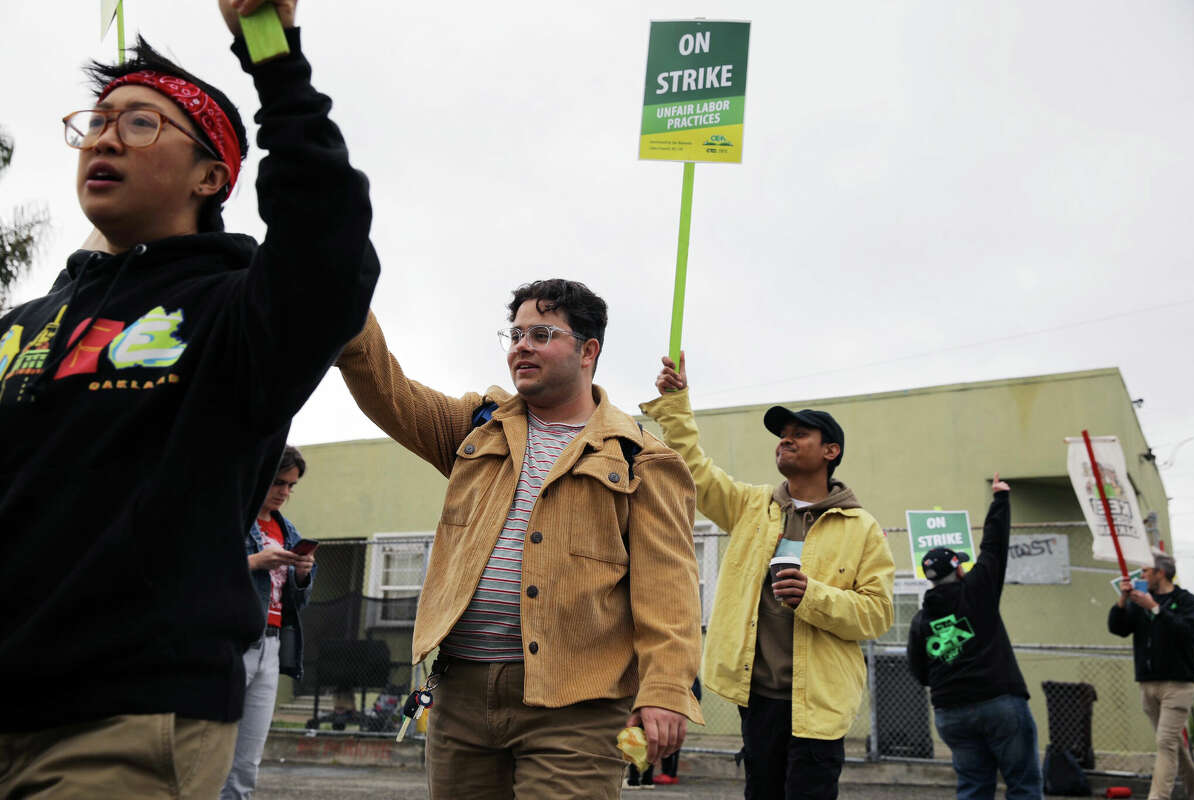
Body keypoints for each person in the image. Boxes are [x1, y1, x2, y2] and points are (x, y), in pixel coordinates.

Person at [0, 0, 378, 795]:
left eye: (141, 124)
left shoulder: (239, 314)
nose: (104, 137)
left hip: (127, 719)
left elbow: (327, 243)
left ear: (213, 175)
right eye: (97, 122)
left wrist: (271, 50)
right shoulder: (20, 328)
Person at [336, 280, 704, 800]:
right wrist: (344, 295)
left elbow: (669, 588)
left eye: (542, 333)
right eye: (515, 334)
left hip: (577, 709)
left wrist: (666, 689)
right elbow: (388, 390)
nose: (521, 346)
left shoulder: (642, 459)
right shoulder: (476, 426)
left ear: (588, 350)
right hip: (460, 697)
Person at [641, 353, 895, 800]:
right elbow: (692, 470)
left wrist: (812, 596)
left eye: (800, 434)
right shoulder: (751, 507)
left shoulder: (862, 528)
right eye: (782, 436)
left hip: (820, 704)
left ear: (830, 451)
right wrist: (677, 403)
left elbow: (877, 614)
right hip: (758, 698)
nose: (785, 440)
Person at [906, 474, 1041, 800]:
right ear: (960, 569)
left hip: (950, 712)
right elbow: (994, 546)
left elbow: (919, 671)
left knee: (974, 789)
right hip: (999, 702)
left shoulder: (921, 620)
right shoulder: (978, 590)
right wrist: (1000, 499)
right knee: (1022, 786)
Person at [221, 445, 316, 799]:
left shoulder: (287, 530)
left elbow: (298, 600)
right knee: (212, 744)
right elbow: (202, 574)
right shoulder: (233, 519)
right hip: (232, 642)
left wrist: (303, 575)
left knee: (248, 758)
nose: (284, 492)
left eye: (291, 486)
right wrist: (254, 561)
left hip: (272, 645)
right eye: (278, 482)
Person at [1109, 554, 1194, 800]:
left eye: (1145, 571)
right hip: (1148, 682)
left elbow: (1188, 632)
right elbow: (1118, 629)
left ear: (1160, 573)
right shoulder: (1138, 603)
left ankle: (1157, 797)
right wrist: (1123, 601)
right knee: (1171, 744)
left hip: (1178, 683)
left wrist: (1156, 609)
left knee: (1165, 742)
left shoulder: (1186, 601)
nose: (1141, 577)